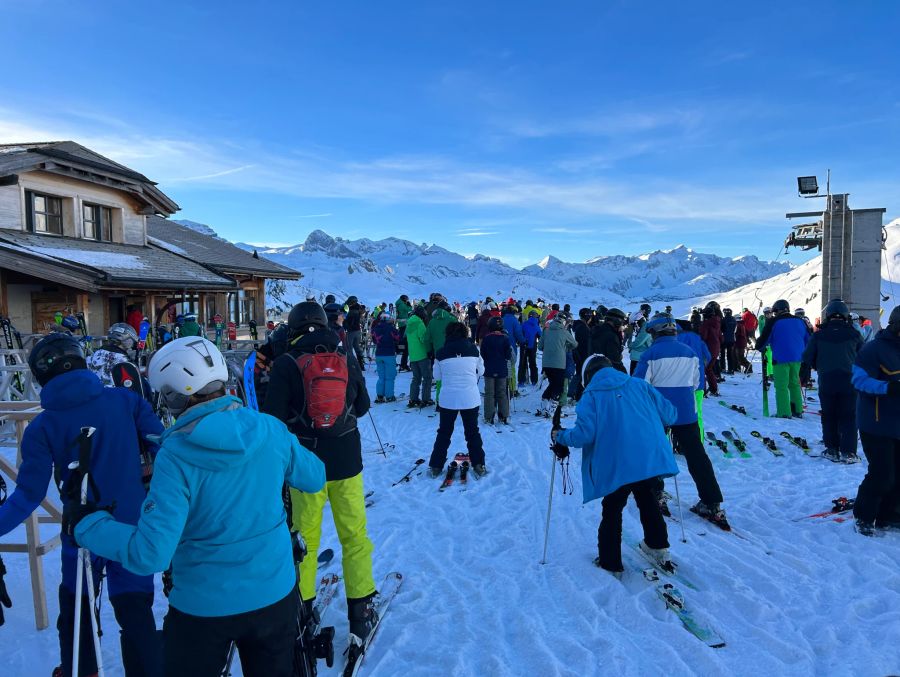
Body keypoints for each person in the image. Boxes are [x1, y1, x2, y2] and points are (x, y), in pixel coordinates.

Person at [66, 337, 326, 677]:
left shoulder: (175, 456)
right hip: (274, 595)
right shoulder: (269, 430)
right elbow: (314, 477)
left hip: (203, 608)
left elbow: (151, 554)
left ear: (175, 396)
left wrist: (89, 526)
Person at [0, 332, 163, 677]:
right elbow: (164, 450)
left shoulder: (42, 427)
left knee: (75, 612)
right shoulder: (125, 401)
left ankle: (80, 668)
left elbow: (28, 495)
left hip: (82, 529)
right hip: (132, 525)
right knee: (136, 612)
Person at [261, 302, 378, 652]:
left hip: (304, 466)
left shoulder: (286, 363)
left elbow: (273, 419)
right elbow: (362, 406)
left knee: (305, 539)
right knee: (355, 535)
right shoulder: (344, 355)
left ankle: (304, 610)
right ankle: (361, 610)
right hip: (347, 461)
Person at [553, 354, 678, 573]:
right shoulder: (640, 385)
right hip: (648, 457)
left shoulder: (590, 396)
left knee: (612, 509)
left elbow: (584, 435)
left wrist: (560, 435)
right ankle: (657, 546)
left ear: (588, 376)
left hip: (617, 463)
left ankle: (610, 562)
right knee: (648, 498)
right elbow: (670, 414)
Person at [635, 314, 729, 529]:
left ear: (655, 333)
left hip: (658, 412)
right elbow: (697, 384)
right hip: (686, 412)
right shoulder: (690, 353)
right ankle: (711, 501)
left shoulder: (650, 354)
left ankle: (656, 492)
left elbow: (639, 385)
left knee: (656, 451)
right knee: (697, 456)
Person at [851, 305, 900, 536]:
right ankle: (863, 515)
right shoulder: (874, 349)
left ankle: (889, 514)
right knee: (882, 473)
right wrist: (887, 387)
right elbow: (859, 381)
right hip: (876, 423)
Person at [802, 299, 863, 463]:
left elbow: (807, 357)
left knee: (829, 415)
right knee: (849, 416)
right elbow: (864, 357)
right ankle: (849, 452)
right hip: (850, 381)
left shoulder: (818, 335)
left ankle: (832, 449)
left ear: (827, 315)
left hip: (827, 380)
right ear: (845, 315)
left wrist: (813, 370)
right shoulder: (855, 334)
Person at [427, 322, 488, 477]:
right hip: (470, 397)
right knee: (472, 432)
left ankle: (436, 465)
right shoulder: (473, 349)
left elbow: (437, 376)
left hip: (448, 398)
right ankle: (479, 464)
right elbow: (481, 370)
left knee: (444, 432)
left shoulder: (441, 352)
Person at [756, 299, 810, 418]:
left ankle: (784, 412)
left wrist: (760, 347)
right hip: (797, 358)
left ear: (777, 311)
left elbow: (763, 340)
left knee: (781, 386)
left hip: (780, 359)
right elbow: (808, 339)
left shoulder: (774, 322)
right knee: (795, 384)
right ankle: (797, 410)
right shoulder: (800, 321)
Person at [538, 313, 577, 412]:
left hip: (546, 363)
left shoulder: (546, 331)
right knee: (559, 386)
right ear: (564, 322)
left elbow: (540, 346)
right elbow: (575, 344)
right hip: (559, 363)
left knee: (552, 384)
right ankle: (553, 408)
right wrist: (565, 347)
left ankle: (544, 403)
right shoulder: (564, 332)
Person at [481, 316, 512, 424]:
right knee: (502, 392)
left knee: (489, 393)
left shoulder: (486, 338)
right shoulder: (505, 338)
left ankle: (489, 416)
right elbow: (508, 355)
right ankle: (504, 415)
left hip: (489, 369)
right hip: (502, 369)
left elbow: (482, 354)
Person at [87, 322, 138, 386]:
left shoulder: (95, 353)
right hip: (113, 394)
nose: (132, 344)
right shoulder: (123, 360)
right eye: (131, 340)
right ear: (124, 340)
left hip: (93, 392)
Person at [405, 305, 433, 408]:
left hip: (413, 355)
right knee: (427, 377)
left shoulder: (409, 323)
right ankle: (426, 399)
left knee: (416, 378)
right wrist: (429, 350)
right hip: (422, 355)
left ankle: (413, 399)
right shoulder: (419, 323)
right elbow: (423, 339)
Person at [371, 312, 400, 403]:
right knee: (390, 376)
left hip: (379, 354)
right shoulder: (391, 328)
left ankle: (380, 395)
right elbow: (398, 338)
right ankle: (389, 395)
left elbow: (374, 340)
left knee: (381, 376)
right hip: (389, 354)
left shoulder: (375, 328)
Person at [589, 308, 627, 373]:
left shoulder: (596, 330)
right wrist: (624, 374)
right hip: (606, 372)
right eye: (622, 322)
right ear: (617, 321)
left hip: (593, 369)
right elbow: (615, 361)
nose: (622, 325)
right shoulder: (612, 336)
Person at [699, 302, 723, 394]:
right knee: (709, 369)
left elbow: (703, 337)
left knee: (702, 369)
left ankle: (703, 390)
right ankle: (714, 389)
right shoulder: (717, 322)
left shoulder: (706, 323)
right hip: (716, 349)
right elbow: (721, 338)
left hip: (707, 349)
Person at [502, 304, 525, 397]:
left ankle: (502, 388)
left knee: (502, 368)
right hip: (511, 347)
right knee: (511, 368)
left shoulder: (501, 319)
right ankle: (512, 389)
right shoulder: (514, 321)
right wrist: (523, 341)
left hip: (500, 346)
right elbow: (518, 333)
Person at [395, 294, 413, 371]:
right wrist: (409, 305)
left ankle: (401, 349)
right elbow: (409, 309)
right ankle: (403, 363)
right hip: (404, 323)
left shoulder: (399, 303)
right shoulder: (402, 305)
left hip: (401, 323)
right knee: (405, 341)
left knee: (402, 338)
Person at [720, 308, 737, 374]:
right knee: (730, 355)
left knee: (722, 354)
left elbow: (721, 329)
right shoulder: (734, 319)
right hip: (732, 339)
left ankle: (722, 368)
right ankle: (731, 369)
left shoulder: (723, 320)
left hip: (724, 339)